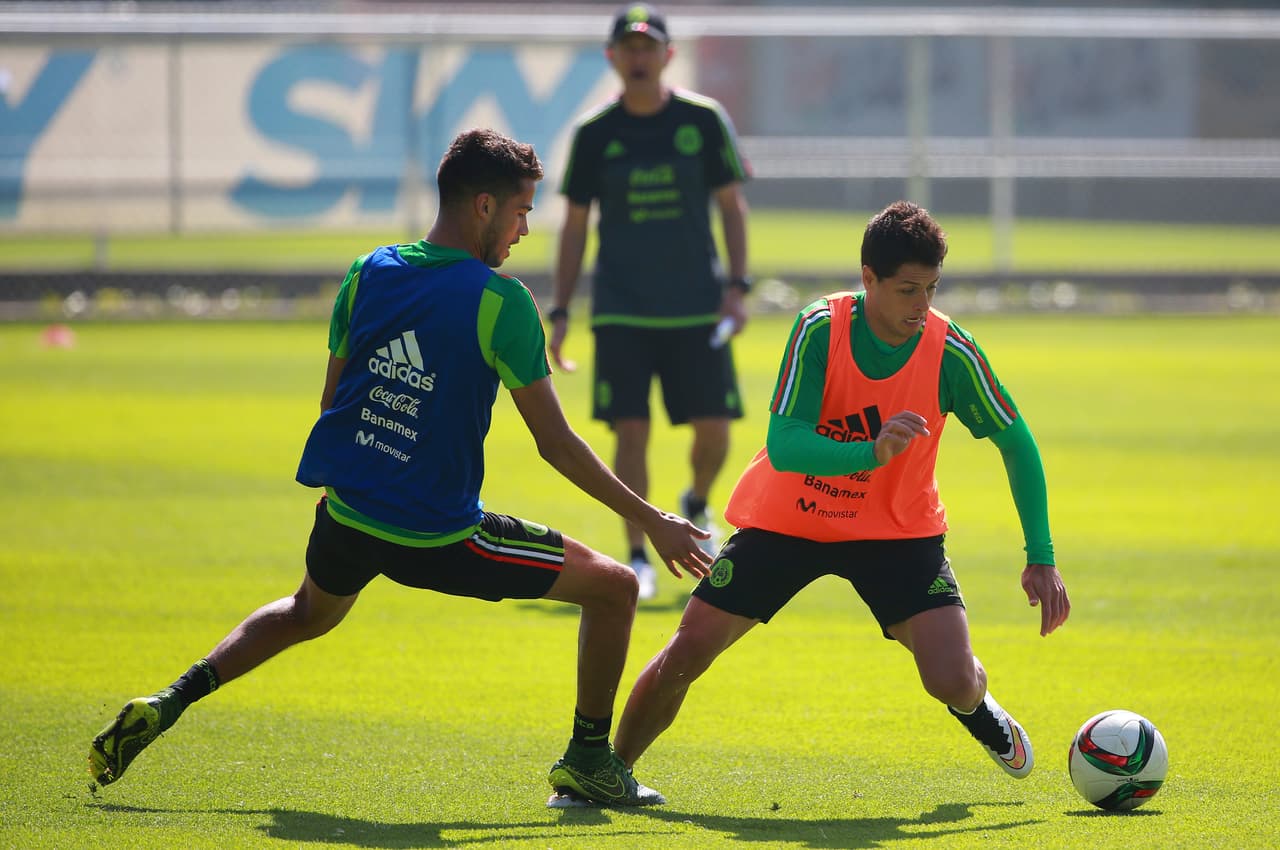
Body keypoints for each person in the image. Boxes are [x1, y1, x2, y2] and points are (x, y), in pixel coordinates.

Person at [87, 128, 712, 809]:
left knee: (306, 611)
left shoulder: (367, 272)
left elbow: (334, 402)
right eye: (522, 210)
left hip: (349, 514)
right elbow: (556, 444)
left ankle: (170, 700)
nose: (526, 228)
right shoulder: (500, 302)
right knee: (616, 588)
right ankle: (591, 761)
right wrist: (654, 521)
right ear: (483, 206)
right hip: (439, 536)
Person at [610, 201, 1071, 793]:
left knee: (952, 679)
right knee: (689, 648)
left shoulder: (950, 349)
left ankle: (978, 708)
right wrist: (868, 453)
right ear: (868, 278)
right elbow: (785, 444)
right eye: (907, 290)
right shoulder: (819, 329)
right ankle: (609, 770)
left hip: (896, 530)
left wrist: (1041, 554)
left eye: (931, 288)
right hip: (790, 519)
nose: (922, 305)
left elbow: (1018, 444)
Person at [548, 2, 752, 600]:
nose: (639, 57)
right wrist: (561, 311)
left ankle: (695, 503)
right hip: (622, 309)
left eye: (649, 46)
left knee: (714, 432)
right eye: (628, 48)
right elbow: (575, 226)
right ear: (613, 58)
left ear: (667, 55)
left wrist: (736, 290)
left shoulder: (704, 120)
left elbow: (731, 207)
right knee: (630, 434)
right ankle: (639, 555)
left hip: (697, 307)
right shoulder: (595, 134)